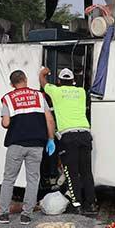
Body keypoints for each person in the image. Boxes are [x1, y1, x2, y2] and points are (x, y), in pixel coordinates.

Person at [0, 70, 56, 225]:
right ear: (26, 79)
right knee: (33, 179)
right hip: (36, 145)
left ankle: (3, 215)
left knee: (9, 179)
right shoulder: (39, 96)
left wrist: (4, 120)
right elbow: (49, 119)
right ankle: (26, 215)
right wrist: (51, 139)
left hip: (16, 144)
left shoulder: (8, 98)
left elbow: (6, 123)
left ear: (11, 84)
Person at [39, 67, 97, 214]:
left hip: (68, 136)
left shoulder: (56, 92)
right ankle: (91, 204)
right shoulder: (81, 92)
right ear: (73, 81)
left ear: (59, 81)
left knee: (71, 172)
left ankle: (76, 204)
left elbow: (43, 83)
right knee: (86, 172)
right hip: (85, 134)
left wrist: (43, 73)